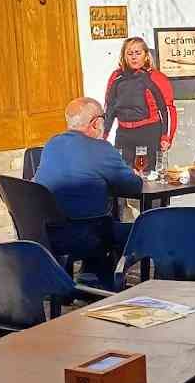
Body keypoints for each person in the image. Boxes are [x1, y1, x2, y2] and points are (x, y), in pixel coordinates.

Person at [35, 97, 141, 286]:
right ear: (96, 123)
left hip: (47, 232)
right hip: (85, 234)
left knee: (100, 220)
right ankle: (104, 281)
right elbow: (133, 186)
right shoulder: (101, 149)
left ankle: (91, 276)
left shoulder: (52, 144)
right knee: (141, 229)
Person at [104, 37, 177, 171]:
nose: (134, 57)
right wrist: (103, 134)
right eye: (130, 53)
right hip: (124, 134)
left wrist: (167, 137)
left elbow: (167, 109)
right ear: (124, 56)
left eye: (138, 53)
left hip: (148, 133)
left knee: (148, 175)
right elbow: (109, 108)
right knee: (122, 174)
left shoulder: (155, 77)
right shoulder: (116, 77)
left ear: (146, 55)